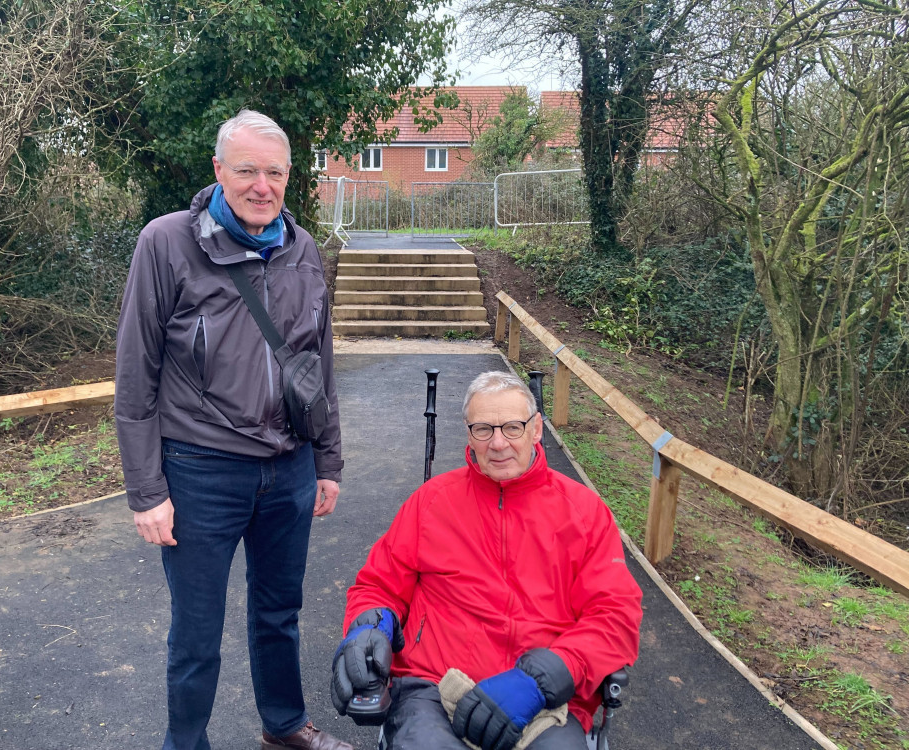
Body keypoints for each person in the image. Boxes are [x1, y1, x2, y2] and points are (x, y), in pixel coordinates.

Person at [115, 109, 350, 750]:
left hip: (290, 468)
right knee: (196, 631)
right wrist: (146, 490)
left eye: (274, 172)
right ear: (218, 170)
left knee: (280, 613)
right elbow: (136, 378)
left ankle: (283, 725)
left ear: (289, 178)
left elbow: (318, 364)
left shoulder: (303, 250)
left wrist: (326, 463)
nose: (261, 186)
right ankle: (186, 743)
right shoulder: (166, 243)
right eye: (246, 169)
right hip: (200, 471)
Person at [331, 371, 643, 750]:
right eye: (483, 429)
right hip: (433, 687)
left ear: (536, 429)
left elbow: (615, 617)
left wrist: (548, 674)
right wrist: (372, 623)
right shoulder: (431, 502)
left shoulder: (585, 513)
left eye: (513, 427)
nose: (498, 443)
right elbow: (378, 586)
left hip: (543, 699)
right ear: (468, 434)